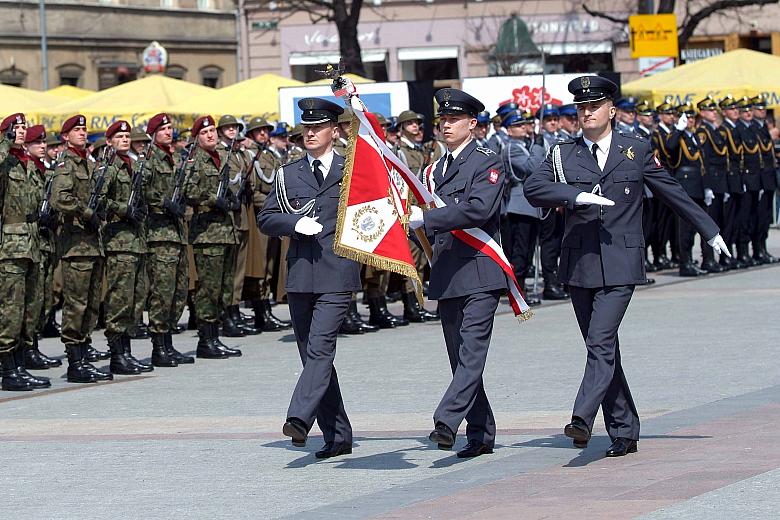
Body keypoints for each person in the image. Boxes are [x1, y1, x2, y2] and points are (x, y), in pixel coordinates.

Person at [524, 76, 729, 457]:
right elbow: (532, 188)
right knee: (602, 348)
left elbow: (672, 192)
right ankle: (625, 429)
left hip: (621, 262)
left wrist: (709, 230)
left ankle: (582, 418)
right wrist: (574, 195)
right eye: (581, 108)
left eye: (595, 106)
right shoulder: (562, 154)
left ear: (611, 111)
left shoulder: (634, 149)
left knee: (600, 342)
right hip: (580, 263)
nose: (587, 113)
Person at [258, 97, 361, 459]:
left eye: (318, 128)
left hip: (337, 273)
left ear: (335, 131)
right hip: (301, 275)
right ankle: (338, 435)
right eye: (307, 128)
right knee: (311, 357)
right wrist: (294, 222)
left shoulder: (354, 169)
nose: (311, 133)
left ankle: (300, 418)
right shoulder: (289, 173)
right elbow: (266, 218)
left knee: (320, 349)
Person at [408, 88, 508, 458]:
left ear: (472, 123)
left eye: (454, 119)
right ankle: (480, 433)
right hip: (447, 271)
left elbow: (479, 209)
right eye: (443, 120)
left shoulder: (487, 160)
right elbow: (421, 211)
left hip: (481, 268)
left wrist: (428, 217)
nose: (447, 125)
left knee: (471, 353)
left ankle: (448, 419)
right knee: (458, 356)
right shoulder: (433, 170)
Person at [50, 114, 113, 382]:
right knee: (76, 304)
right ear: (65, 136)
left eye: (84, 129)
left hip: (92, 243)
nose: (82, 132)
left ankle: (85, 355)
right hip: (76, 244)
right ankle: (75, 362)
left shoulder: (89, 163)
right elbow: (59, 198)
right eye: (76, 129)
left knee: (90, 305)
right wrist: (86, 212)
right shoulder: (66, 164)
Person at [182, 115, 242, 360]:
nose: (210, 135)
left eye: (212, 131)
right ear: (197, 136)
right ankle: (206, 340)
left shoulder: (222, 158)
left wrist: (230, 198)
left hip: (225, 231)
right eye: (204, 132)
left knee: (223, 287)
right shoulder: (194, 160)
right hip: (207, 234)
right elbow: (187, 190)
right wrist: (211, 199)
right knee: (209, 288)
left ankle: (215, 336)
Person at [0, 114, 51, 391]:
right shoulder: (5, 161)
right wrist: (3, 142)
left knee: (29, 309)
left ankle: (20, 365)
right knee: (11, 309)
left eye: (22, 128)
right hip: (10, 246)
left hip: (32, 243)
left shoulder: (27, 163)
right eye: (15, 128)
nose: (21, 132)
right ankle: (8, 370)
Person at [101, 120, 154, 374]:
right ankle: (117, 355)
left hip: (136, 240)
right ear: (109, 140)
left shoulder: (133, 165)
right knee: (119, 299)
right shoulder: (109, 168)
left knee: (134, 299)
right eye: (119, 136)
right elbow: (100, 199)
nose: (124, 139)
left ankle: (127, 352)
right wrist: (124, 209)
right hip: (119, 241)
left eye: (126, 136)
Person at [143, 113, 194, 367]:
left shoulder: (175, 158)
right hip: (159, 234)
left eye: (169, 128)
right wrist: (164, 203)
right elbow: (143, 189)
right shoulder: (149, 159)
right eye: (163, 128)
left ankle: (169, 342)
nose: (167, 132)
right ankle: (158, 346)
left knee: (178, 291)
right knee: (162, 292)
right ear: (153, 133)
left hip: (177, 233)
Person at [216, 114, 260, 337]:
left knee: (239, 269)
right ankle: (227, 313)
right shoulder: (220, 153)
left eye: (234, 127)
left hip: (241, 213)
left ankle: (234, 310)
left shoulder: (240, 154)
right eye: (228, 127)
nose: (232, 130)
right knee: (229, 269)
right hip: (227, 216)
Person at [23, 125, 63, 368]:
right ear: (26, 146)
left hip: (46, 243)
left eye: (44, 143)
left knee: (44, 300)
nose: (43, 146)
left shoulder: (45, 171)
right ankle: (25, 350)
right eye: (37, 143)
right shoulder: (26, 170)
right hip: (30, 242)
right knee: (31, 299)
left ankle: (33, 346)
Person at [499, 109, 546, 306]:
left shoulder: (525, 145)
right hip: (519, 205)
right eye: (518, 125)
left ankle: (522, 290)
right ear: (509, 130)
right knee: (519, 252)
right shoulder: (511, 148)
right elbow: (530, 169)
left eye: (523, 124)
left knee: (527, 253)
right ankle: (516, 294)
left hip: (530, 205)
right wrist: (538, 146)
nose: (523, 128)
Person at [665, 103, 709, 277]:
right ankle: (685, 263)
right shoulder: (678, 136)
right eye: (687, 117)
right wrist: (678, 129)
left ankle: (690, 261)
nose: (690, 120)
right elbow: (670, 148)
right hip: (685, 185)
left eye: (692, 117)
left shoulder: (694, 137)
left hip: (696, 185)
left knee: (691, 229)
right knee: (684, 229)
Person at [696, 96, 730, 273]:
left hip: (720, 181)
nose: (713, 113)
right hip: (711, 181)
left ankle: (716, 258)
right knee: (709, 222)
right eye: (709, 110)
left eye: (714, 110)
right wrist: (707, 185)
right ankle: (708, 259)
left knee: (721, 220)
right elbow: (705, 161)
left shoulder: (715, 131)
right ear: (702, 112)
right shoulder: (703, 132)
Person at [718, 95, 747, 268]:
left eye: (737, 108)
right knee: (727, 221)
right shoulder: (724, 130)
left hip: (738, 178)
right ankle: (725, 256)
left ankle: (736, 253)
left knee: (738, 220)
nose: (736, 111)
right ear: (725, 112)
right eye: (732, 109)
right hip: (728, 179)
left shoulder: (737, 129)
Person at [751, 94, 779, 263]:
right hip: (759, 178)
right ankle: (756, 249)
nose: (762, 112)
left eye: (763, 109)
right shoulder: (752, 128)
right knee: (757, 217)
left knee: (766, 218)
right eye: (758, 109)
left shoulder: (763, 128)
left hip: (768, 178)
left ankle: (763, 247)